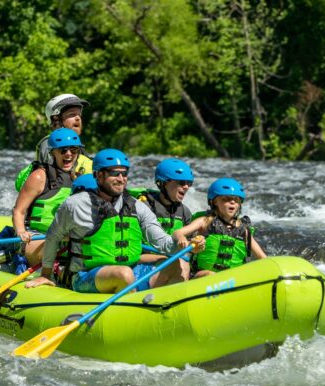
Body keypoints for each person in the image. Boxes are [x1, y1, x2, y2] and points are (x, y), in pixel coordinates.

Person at [25, 149, 205, 293]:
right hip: (86, 276)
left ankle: (163, 311)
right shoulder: (75, 205)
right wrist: (46, 274)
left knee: (176, 263)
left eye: (124, 174)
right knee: (123, 274)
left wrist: (187, 245)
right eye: (114, 174)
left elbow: (163, 243)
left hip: (131, 271)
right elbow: (53, 237)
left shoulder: (137, 206)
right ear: (99, 176)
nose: (121, 179)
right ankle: (131, 316)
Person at [12, 128, 84, 266]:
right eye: (63, 150)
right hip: (36, 235)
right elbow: (18, 211)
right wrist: (21, 232)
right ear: (53, 153)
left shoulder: (79, 180)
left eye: (74, 150)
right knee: (49, 252)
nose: (69, 154)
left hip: (65, 238)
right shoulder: (39, 176)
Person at [173, 177, 266, 278]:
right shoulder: (205, 221)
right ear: (215, 202)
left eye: (236, 200)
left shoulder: (244, 231)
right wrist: (182, 239)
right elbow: (177, 233)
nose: (232, 202)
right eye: (226, 199)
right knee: (210, 274)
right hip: (201, 276)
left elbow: (262, 257)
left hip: (233, 280)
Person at [131, 158, 195, 281]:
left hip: (171, 262)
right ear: (162, 183)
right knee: (179, 263)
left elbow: (190, 247)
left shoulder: (185, 212)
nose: (186, 187)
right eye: (181, 182)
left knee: (182, 263)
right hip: (142, 263)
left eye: (189, 183)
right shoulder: (143, 206)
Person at [15, 93, 92, 191]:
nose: (78, 118)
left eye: (79, 114)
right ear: (56, 119)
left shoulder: (77, 145)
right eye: (72, 114)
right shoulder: (48, 144)